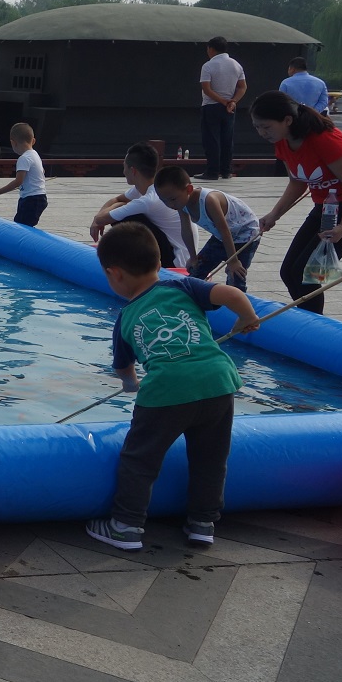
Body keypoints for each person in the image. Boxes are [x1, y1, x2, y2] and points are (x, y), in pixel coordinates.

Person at [85, 222, 258, 551]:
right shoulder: (183, 286)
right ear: (157, 261)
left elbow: (123, 367)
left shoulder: (126, 317)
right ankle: (203, 523)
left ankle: (126, 526)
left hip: (166, 392)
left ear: (114, 274)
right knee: (210, 459)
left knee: (140, 460)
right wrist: (246, 318)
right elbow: (233, 294)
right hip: (218, 381)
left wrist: (131, 385)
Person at [250, 90, 342, 313]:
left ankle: (314, 325)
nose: (262, 133)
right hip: (325, 208)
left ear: (287, 120)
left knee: (307, 275)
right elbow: (297, 182)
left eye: (266, 127)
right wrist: (274, 215)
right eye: (257, 127)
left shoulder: (324, 139)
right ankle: (307, 320)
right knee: (288, 272)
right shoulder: (283, 142)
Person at [153, 166, 261, 292]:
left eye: (172, 199)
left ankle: (239, 300)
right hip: (221, 237)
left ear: (188, 189)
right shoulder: (181, 203)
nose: (170, 205)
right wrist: (193, 257)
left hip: (246, 234)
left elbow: (225, 231)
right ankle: (194, 297)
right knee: (196, 270)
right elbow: (186, 230)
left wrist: (233, 261)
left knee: (235, 275)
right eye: (164, 201)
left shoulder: (209, 201)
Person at [88, 142, 194, 268]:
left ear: (133, 170)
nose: (123, 172)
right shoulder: (146, 188)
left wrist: (114, 209)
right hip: (169, 246)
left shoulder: (148, 200)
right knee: (124, 213)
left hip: (176, 261)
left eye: (124, 167)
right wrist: (106, 213)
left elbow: (102, 218)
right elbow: (116, 199)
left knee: (124, 218)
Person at [199, 36, 246, 181]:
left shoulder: (208, 66)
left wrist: (222, 101)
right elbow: (242, 87)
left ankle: (212, 171)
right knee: (227, 139)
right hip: (230, 108)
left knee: (211, 139)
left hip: (211, 106)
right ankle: (226, 171)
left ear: (211, 49)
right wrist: (233, 101)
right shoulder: (236, 65)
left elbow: (206, 89)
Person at [0, 122, 49, 226]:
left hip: (31, 199)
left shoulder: (23, 158)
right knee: (22, 223)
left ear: (13, 143)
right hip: (39, 197)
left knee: (21, 226)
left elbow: (18, 181)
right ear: (33, 141)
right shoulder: (35, 154)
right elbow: (42, 171)